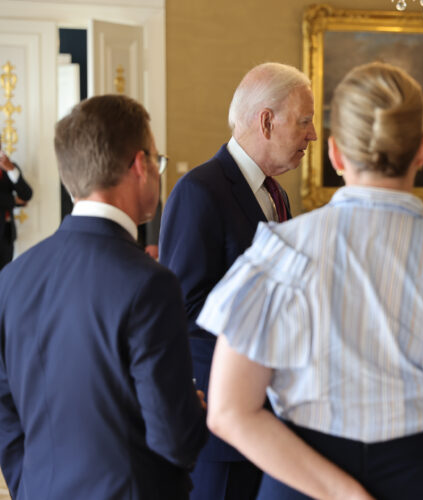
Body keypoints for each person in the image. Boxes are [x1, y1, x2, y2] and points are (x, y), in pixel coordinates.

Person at [197, 62, 423, 500]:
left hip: (302, 484)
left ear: (335, 154)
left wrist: (342, 492)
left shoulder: (278, 255)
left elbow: (227, 411)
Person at [0, 95, 207, 499]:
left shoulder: (12, 279)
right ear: (139, 165)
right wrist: (193, 412)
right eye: (158, 161)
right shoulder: (150, 284)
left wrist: (30, 485)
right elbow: (176, 441)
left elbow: (5, 409)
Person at [159, 61, 317, 499]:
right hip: (223, 420)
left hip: (273, 412)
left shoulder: (277, 194)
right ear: (267, 121)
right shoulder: (199, 191)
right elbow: (185, 309)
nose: (313, 135)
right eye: (305, 122)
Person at [0, 138, 33, 269]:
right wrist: (13, 201)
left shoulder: (10, 167)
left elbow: (26, 195)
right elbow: (18, 201)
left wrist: (12, 170)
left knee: (5, 279)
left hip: (6, 235)